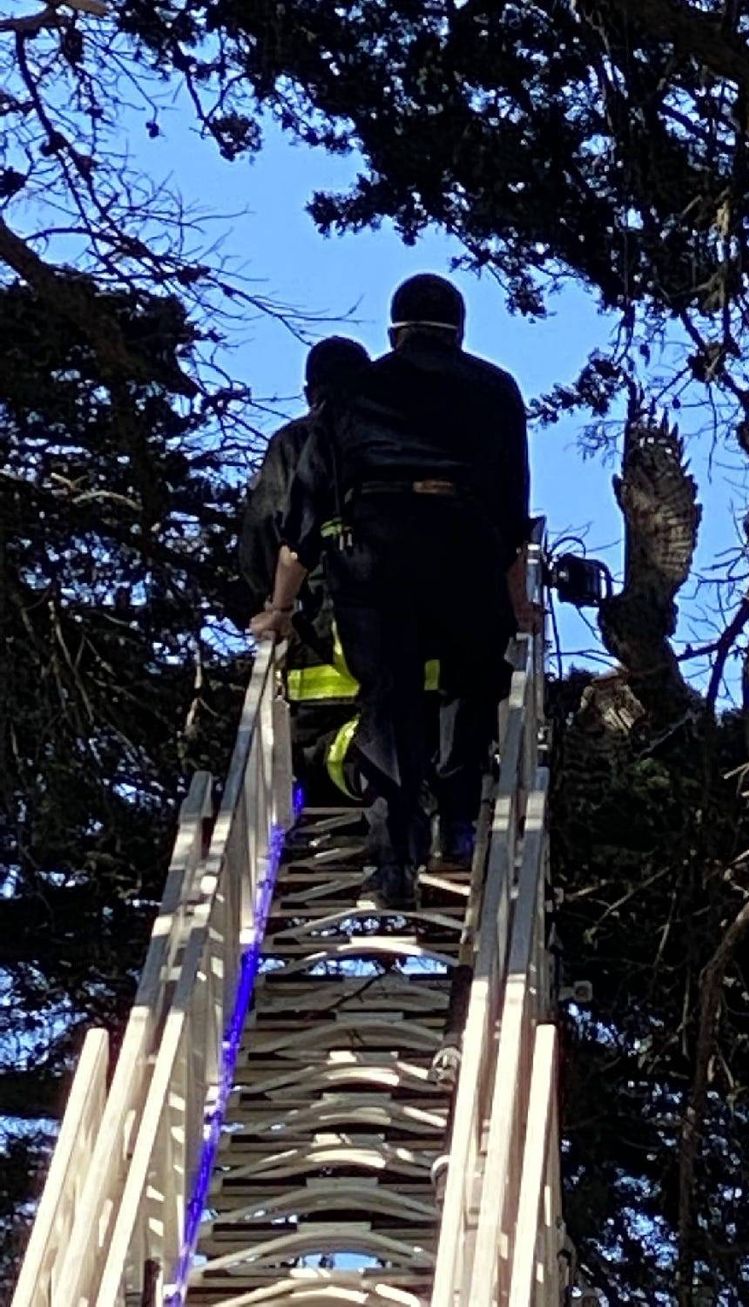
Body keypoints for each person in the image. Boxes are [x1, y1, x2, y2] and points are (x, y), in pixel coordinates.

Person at [252, 274, 537, 909]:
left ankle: (393, 860)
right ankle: (459, 825)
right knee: (469, 681)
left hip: (373, 553)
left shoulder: (354, 391)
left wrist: (280, 607)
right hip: (464, 545)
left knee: (388, 700)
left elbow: (302, 521)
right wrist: (516, 603)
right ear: (460, 332)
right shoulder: (495, 389)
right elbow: (513, 509)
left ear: (393, 332)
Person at [240, 336, 370, 801]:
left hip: (316, 646)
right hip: (405, 647)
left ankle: (356, 776)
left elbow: (263, 535)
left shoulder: (293, 444)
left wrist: (276, 603)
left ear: (309, 391)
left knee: (316, 762)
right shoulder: (395, 440)